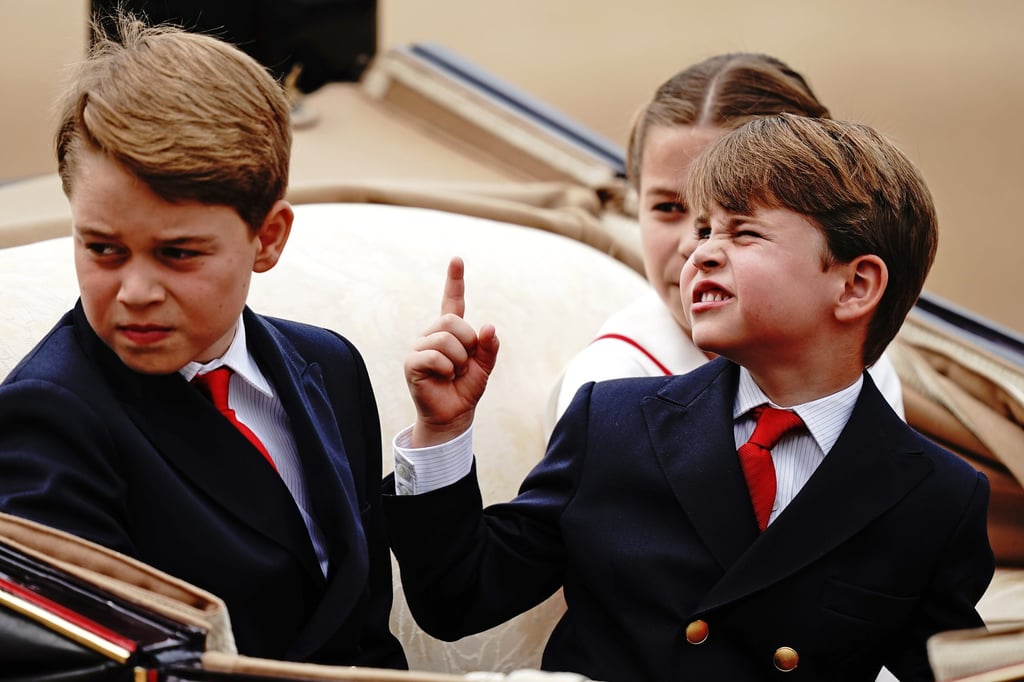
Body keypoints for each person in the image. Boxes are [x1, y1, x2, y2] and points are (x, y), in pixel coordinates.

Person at [384, 114, 995, 681]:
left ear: (856, 285)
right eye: (705, 229)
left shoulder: (936, 496)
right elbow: (457, 598)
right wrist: (443, 430)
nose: (699, 252)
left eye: (744, 232)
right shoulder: (613, 420)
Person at [0, 13, 405, 668]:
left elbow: (364, 630)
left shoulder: (331, 366)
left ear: (268, 238)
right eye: (103, 248)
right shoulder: (48, 419)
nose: (135, 289)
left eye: (177, 254)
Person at [552, 53, 906, 421]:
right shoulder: (611, 384)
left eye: (743, 221)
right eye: (669, 208)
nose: (696, 245)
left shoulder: (862, 366)